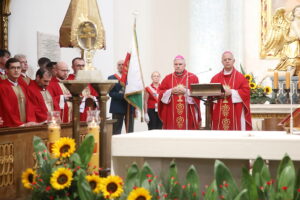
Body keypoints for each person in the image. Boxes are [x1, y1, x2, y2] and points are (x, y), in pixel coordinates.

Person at [210, 51, 252, 130]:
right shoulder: (215, 78)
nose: (227, 61)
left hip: (236, 111)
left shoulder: (240, 77)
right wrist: (219, 93)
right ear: (222, 62)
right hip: (219, 112)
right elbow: (210, 95)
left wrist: (232, 92)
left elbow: (246, 93)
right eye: (225, 59)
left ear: (233, 61)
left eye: (229, 59)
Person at [158, 55, 201, 130]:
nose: (178, 66)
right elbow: (160, 93)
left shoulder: (192, 77)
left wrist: (186, 91)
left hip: (188, 113)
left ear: (185, 65)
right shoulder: (167, 78)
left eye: (180, 64)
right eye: (176, 64)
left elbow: (198, 95)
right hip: (171, 114)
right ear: (173, 65)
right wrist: (171, 91)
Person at [263, 5, 300, 74]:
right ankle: (269, 75)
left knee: (296, 68)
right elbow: (299, 35)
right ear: (294, 13)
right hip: (292, 46)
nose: (299, 12)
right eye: (297, 11)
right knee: (291, 66)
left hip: (297, 45)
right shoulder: (293, 23)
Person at [0, 58, 36, 127]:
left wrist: (31, 120)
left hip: (26, 125)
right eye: (13, 68)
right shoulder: (2, 87)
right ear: (7, 70)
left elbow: (29, 105)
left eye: (18, 68)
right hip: (11, 126)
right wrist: (20, 124)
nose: (16, 70)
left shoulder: (23, 86)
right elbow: (7, 108)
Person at [67, 57, 98, 121]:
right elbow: (69, 96)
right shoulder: (69, 80)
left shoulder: (88, 79)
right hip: (76, 111)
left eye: (83, 65)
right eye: (78, 66)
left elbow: (95, 94)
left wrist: (92, 97)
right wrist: (83, 98)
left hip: (89, 111)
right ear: (72, 67)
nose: (81, 68)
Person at [108, 60, 134, 134]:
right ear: (117, 66)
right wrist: (123, 96)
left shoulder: (131, 78)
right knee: (116, 130)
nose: (121, 66)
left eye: (123, 64)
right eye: (119, 64)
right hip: (117, 106)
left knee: (130, 131)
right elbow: (111, 93)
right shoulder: (111, 78)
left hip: (129, 105)